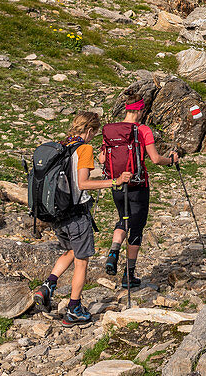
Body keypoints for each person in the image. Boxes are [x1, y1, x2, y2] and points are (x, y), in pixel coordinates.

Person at [33, 112, 131, 325]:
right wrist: (114, 182)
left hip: (57, 213)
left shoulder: (62, 146)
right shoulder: (84, 148)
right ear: (89, 130)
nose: (93, 137)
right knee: (81, 261)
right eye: (93, 133)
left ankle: (48, 286)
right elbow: (83, 183)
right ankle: (74, 309)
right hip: (76, 214)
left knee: (70, 251)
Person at [100, 96, 179, 289]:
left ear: (127, 109)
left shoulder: (111, 130)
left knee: (123, 219)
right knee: (136, 227)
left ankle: (113, 252)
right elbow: (155, 159)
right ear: (140, 110)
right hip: (138, 184)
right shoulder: (142, 130)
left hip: (117, 183)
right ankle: (129, 275)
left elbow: (102, 159)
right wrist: (171, 160)